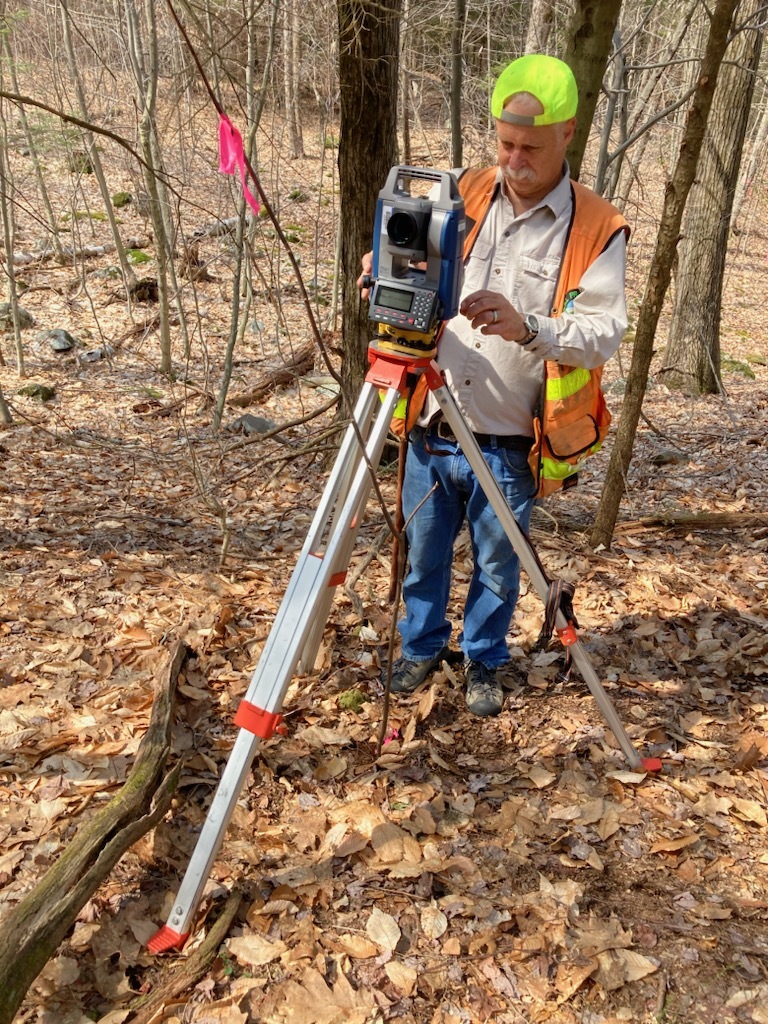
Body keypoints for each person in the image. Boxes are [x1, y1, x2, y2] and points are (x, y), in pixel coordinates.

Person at [360, 54, 629, 718]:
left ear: (567, 133)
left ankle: (484, 659)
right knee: (423, 556)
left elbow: (602, 333)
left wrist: (528, 326)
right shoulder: (462, 189)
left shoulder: (596, 226)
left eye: (529, 148)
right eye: (505, 144)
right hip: (432, 423)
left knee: (498, 565)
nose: (513, 160)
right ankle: (420, 646)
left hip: (509, 441)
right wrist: (384, 266)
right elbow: (404, 251)